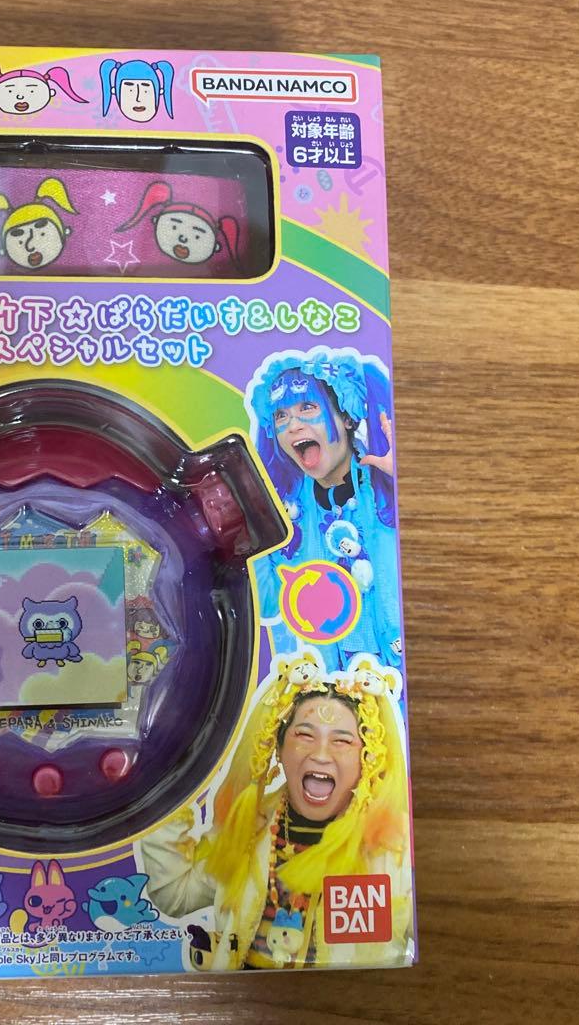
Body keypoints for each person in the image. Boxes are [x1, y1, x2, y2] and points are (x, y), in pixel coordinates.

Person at [140, 663, 412, 969]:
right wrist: (169, 786)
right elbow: (175, 895)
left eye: (342, 741)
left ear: (367, 757)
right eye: (304, 735)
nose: (321, 754)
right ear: (279, 749)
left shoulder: (393, 847)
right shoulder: (249, 827)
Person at [245, 348, 402, 670]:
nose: (292, 425)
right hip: (329, 681)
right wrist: (251, 527)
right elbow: (271, 603)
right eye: (280, 415)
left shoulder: (385, 490)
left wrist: (402, 479)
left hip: (397, 673)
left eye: (307, 407)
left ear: (347, 417)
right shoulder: (287, 513)